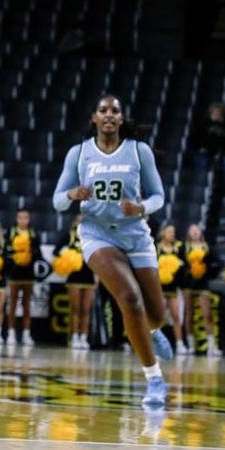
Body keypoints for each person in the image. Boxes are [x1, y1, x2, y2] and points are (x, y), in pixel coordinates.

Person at [53, 93, 173, 408]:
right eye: (103, 109)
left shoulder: (139, 151)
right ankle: (155, 379)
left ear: (121, 119)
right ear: (94, 117)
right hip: (97, 234)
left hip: (135, 235)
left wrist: (142, 207)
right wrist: (71, 193)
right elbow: (57, 201)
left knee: (158, 312)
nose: (108, 114)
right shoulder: (79, 153)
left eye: (115, 111)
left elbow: (159, 195)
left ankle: (154, 326)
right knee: (130, 299)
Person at [184, 224, 220, 356]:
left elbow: (215, 263)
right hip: (188, 284)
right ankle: (191, 346)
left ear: (200, 233)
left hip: (203, 283)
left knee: (207, 314)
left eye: (196, 231)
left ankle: (211, 346)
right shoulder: (184, 248)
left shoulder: (207, 247)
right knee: (189, 315)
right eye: (192, 231)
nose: (194, 233)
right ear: (188, 233)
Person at [6, 209, 41, 346]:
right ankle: (11, 333)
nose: (23, 220)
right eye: (20, 217)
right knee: (13, 304)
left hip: (28, 273)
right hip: (14, 273)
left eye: (25, 218)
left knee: (27, 304)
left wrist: (31, 251)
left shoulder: (33, 233)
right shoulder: (11, 232)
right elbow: (6, 251)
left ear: (29, 219)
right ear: (16, 219)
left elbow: (38, 253)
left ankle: (26, 334)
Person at [65, 214, 96, 350]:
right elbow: (56, 251)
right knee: (76, 308)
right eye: (78, 221)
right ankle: (74, 336)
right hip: (74, 277)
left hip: (89, 277)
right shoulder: (69, 236)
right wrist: (68, 256)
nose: (81, 223)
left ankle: (84, 337)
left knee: (86, 309)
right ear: (74, 223)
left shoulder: (93, 238)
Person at [155, 223, 187, 355]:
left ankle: (179, 344)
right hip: (159, 287)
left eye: (173, 232)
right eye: (169, 232)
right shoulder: (156, 248)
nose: (172, 235)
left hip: (173, 286)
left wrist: (179, 265)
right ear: (163, 233)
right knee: (159, 317)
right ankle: (159, 344)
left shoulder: (178, 248)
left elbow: (184, 266)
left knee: (176, 316)